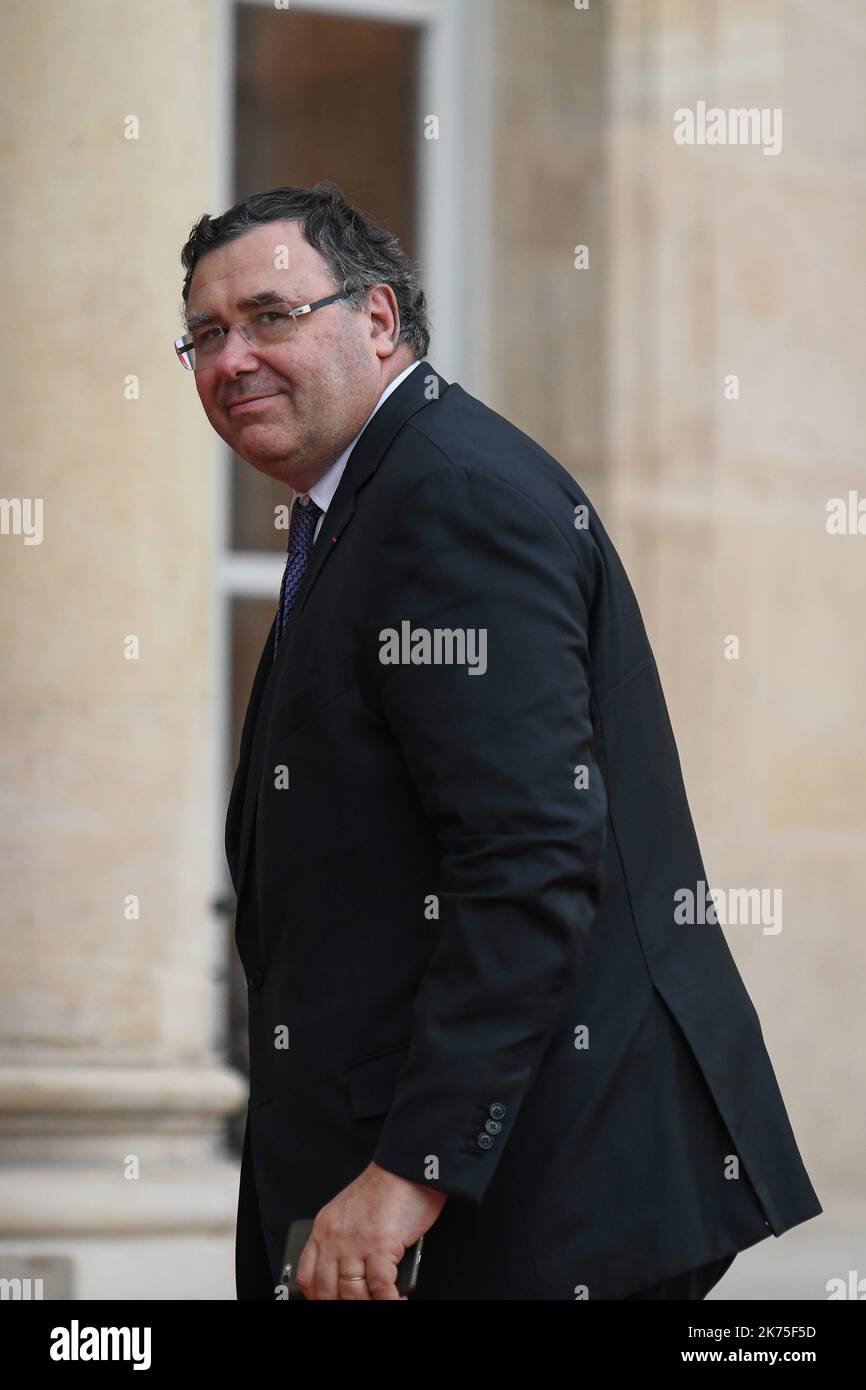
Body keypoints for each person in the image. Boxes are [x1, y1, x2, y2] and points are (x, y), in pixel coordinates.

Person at [175, 181, 822, 1300]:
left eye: (271, 315)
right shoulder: (366, 498)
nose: (231, 358)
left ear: (378, 321)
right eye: (205, 334)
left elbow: (524, 855)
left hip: (531, 1198)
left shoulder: (448, 498)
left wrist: (409, 1171)